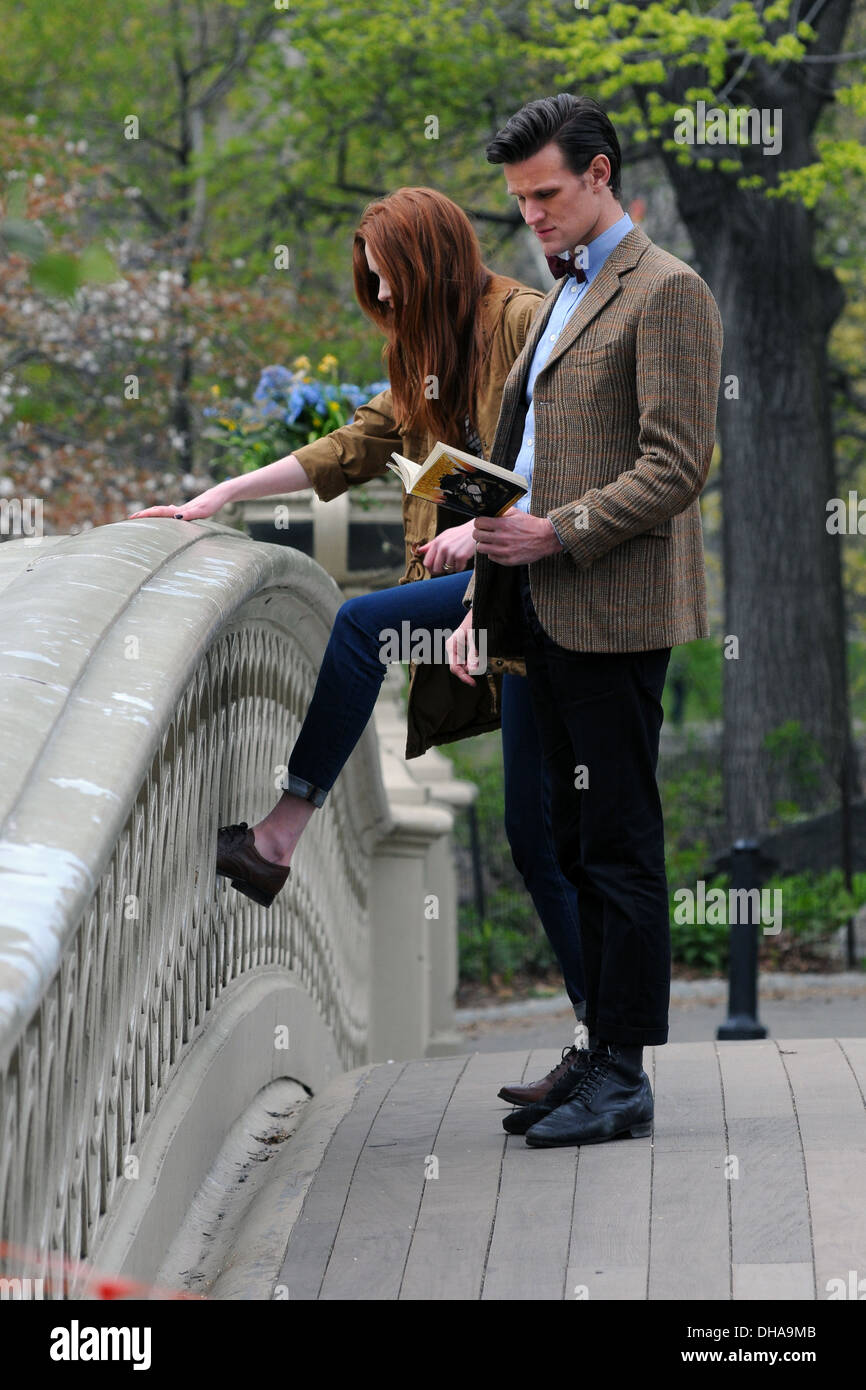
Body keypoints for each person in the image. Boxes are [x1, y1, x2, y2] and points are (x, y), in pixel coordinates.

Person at [130, 188, 588, 1097]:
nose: (384, 304)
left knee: (358, 628)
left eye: (391, 286)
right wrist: (218, 496)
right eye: (375, 292)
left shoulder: (524, 321)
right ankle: (600, 1039)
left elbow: (565, 466)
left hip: (547, 585)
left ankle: (279, 835)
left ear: (429, 266)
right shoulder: (422, 352)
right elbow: (353, 446)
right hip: (492, 596)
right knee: (537, 836)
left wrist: (476, 585)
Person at [447, 96, 723, 1146]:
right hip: (534, 605)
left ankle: (625, 1073)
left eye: (546, 195)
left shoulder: (668, 291)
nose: (532, 218)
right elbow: (526, 455)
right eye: (518, 202)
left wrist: (554, 531)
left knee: (615, 842)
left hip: (608, 605)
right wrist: (483, 545)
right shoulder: (562, 292)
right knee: (563, 837)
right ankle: (595, 1043)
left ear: (599, 173)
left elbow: (673, 465)